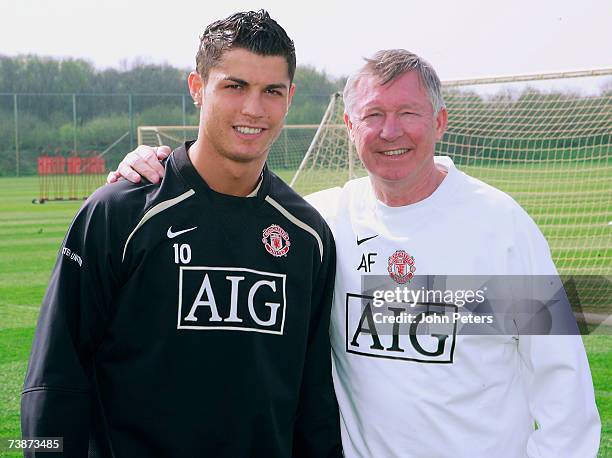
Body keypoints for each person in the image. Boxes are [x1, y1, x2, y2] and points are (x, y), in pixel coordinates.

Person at [110, 50, 601, 457]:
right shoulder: (323, 224)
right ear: (348, 124)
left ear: (440, 121)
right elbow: (224, 213)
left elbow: (561, 378)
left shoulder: (499, 225)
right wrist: (150, 168)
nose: (391, 132)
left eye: (408, 113)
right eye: (373, 115)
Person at [22, 10, 342, 458]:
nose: (253, 108)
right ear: (197, 88)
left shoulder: (308, 236)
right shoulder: (118, 213)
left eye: (271, 91)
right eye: (234, 86)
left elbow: (314, 401)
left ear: (290, 97)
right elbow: (51, 381)